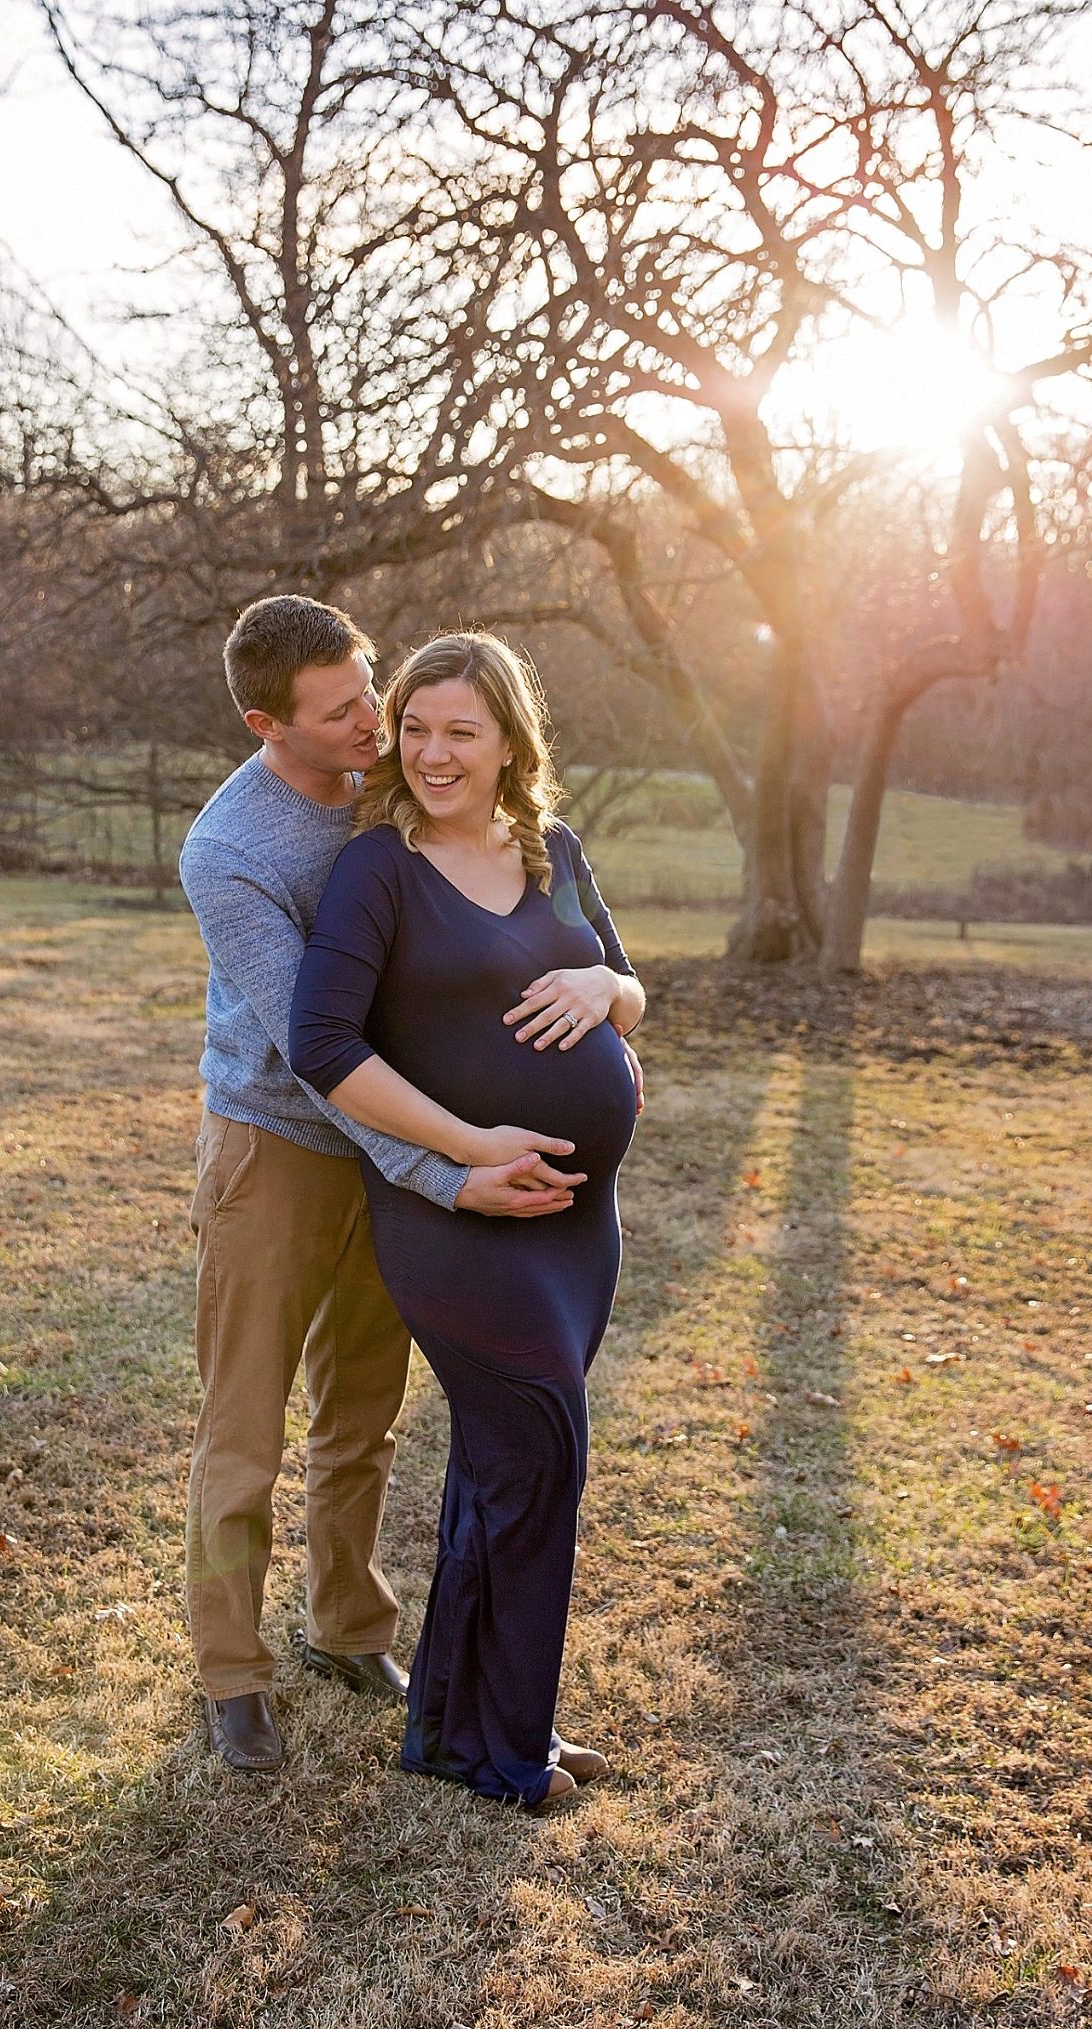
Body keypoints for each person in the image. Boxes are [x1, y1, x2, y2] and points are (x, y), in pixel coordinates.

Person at [178, 597, 595, 1778]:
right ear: (270, 723)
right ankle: (232, 1672)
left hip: (405, 1143)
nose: (377, 720)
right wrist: (450, 1164)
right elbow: (312, 1053)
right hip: (279, 1146)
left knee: (361, 1410)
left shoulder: (386, 785)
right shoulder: (231, 852)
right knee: (243, 1426)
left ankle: (348, 1631)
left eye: (372, 689)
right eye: (344, 709)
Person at [290, 631, 645, 1811]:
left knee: (503, 1469)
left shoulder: (556, 849)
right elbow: (324, 1044)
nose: (433, 753)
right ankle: (499, 1749)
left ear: (508, 743)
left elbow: (630, 989)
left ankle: (472, 1726)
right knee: (537, 1446)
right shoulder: (375, 870)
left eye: (462, 730)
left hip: (571, 1231)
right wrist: (468, 1148)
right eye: (416, 728)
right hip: (453, 1216)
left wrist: (605, 988)